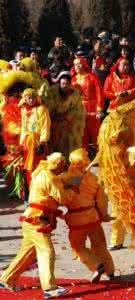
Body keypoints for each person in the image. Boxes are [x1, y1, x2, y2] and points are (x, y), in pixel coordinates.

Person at [0, 153, 77, 299]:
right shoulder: (51, 178)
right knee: (47, 251)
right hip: (37, 221)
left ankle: (6, 279)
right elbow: (63, 198)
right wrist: (73, 188)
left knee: (28, 254)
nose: (64, 168)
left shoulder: (41, 170)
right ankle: (50, 288)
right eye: (63, 165)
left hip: (31, 219)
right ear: (58, 165)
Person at [61, 149, 115, 282]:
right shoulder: (94, 178)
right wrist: (103, 215)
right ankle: (110, 271)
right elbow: (102, 201)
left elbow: (58, 197)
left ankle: (97, 266)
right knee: (100, 245)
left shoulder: (64, 178)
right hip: (93, 217)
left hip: (76, 220)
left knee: (78, 247)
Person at [45, 72, 86, 158]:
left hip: (68, 123)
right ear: (59, 83)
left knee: (69, 143)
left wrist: (68, 116)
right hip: (54, 123)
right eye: (62, 83)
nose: (64, 86)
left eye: (67, 84)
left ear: (70, 84)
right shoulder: (52, 92)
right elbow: (48, 107)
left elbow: (78, 109)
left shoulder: (75, 93)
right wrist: (55, 116)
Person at [19, 89, 51, 186]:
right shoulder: (23, 110)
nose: (31, 100)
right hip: (27, 144)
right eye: (29, 98)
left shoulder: (42, 109)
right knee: (28, 167)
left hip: (37, 143)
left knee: (38, 166)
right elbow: (23, 128)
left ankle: (39, 188)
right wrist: (21, 144)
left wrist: (42, 142)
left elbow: (45, 126)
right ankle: (30, 188)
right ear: (25, 99)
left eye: (33, 97)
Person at [71, 57, 104, 153]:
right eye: (75, 64)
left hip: (92, 107)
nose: (77, 66)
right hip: (79, 109)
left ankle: (100, 153)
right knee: (82, 132)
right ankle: (84, 154)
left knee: (95, 132)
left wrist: (99, 109)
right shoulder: (73, 79)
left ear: (84, 65)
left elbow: (99, 93)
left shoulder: (92, 77)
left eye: (79, 64)